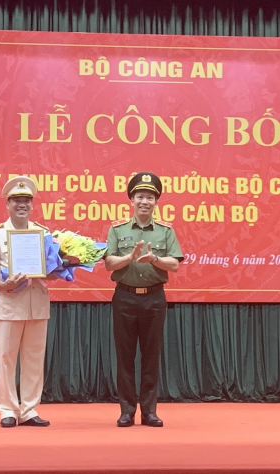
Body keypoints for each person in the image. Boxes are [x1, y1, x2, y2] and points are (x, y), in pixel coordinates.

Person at [105, 171, 183, 428]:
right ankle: (127, 411)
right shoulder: (117, 229)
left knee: (151, 356)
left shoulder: (165, 231)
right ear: (132, 200)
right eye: (140, 196)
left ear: (156, 202)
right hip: (125, 298)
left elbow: (174, 264)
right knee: (124, 356)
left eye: (150, 197)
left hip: (154, 299)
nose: (144, 202)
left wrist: (155, 259)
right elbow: (109, 263)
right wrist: (129, 258)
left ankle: (149, 412)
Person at [0, 176, 52, 428]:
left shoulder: (43, 233)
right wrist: (4, 285)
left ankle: (29, 410)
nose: (22, 205)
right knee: (7, 358)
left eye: (26, 200)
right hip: (10, 303)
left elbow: (50, 270)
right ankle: (7, 410)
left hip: (37, 303)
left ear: (32, 205)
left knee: (34, 359)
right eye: (16, 200)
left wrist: (64, 266)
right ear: (8, 204)